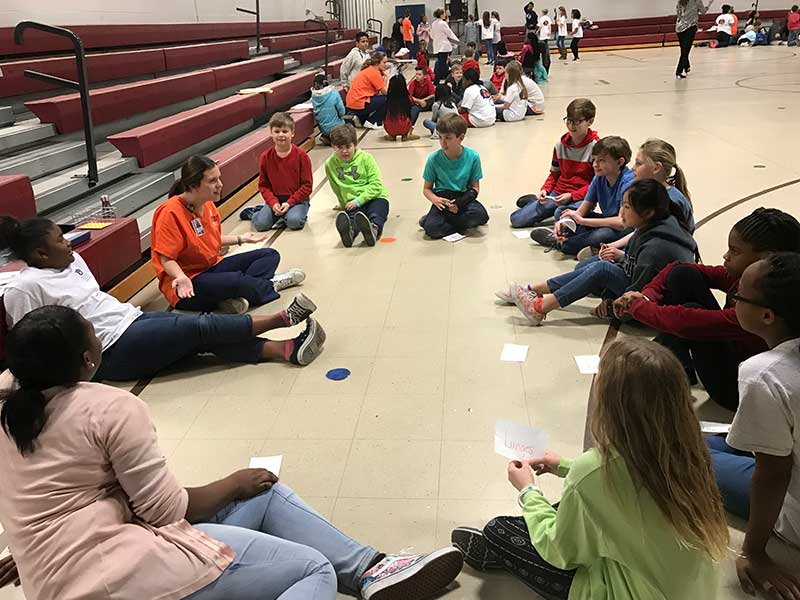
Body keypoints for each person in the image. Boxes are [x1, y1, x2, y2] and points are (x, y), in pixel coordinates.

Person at [0, 306, 464, 600]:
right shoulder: (112, 407)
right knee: (313, 572)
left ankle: (372, 569)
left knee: (264, 497)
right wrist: (232, 482)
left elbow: (52, 498)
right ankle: (357, 572)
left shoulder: (10, 411)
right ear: (87, 360)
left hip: (57, 576)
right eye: (92, 334)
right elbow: (167, 512)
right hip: (122, 575)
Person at [451, 337, 728, 600]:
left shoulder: (592, 473)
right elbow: (631, 483)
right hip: (682, 587)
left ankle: (494, 552)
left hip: (622, 590)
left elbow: (560, 552)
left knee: (499, 529)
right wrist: (564, 466)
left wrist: (528, 491)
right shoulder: (690, 453)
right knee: (572, 507)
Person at [0, 217, 326, 380]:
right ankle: (279, 320)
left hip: (131, 320)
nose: (69, 243)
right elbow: (29, 346)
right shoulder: (24, 288)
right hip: (108, 350)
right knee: (200, 329)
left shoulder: (72, 262)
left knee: (198, 339)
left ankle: (285, 349)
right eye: (60, 240)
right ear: (41, 254)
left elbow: (95, 301)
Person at [613, 208, 800, 410]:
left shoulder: (764, 308)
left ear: (765, 258)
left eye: (735, 251)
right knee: (682, 275)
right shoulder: (754, 281)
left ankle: (645, 369)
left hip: (736, 390)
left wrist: (637, 306)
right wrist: (648, 295)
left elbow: (686, 321)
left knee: (687, 318)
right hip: (737, 355)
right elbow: (678, 267)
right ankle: (672, 365)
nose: (726, 256)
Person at [706, 252, 800, 600]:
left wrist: (754, 551)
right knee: (710, 440)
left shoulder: (765, 373)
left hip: (793, 514)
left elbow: (774, 472)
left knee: (687, 449)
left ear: (767, 315)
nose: (732, 299)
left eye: (738, 295)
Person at [501, 179, 697, 326]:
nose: (621, 213)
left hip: (651, 310)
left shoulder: (656, 249)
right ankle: (535, 289)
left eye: (627, 207)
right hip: (639, 284)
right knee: (592, 265)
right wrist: (618, 257)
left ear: (647, 213)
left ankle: (539, 308)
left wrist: (611, 305)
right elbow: (633, 264)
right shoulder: (650, 226)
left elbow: (640, 298)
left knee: (601, 269)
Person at [151, 155, 303, 314]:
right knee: (235, 280)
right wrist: (180, 277)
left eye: (219, 178)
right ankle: (270, 285)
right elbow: (166, 259)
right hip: (187, 282)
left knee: (269, 255)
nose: (220, 185)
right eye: (212, 181)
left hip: (211, 266)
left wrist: (241, 239)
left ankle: (231, 297)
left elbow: (209, 239)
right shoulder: (169, 212)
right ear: (194, 185)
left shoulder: (207, 204)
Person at [586, 138, 694, 261]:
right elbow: (640, 232)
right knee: (586, 264)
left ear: (656, 168)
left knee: (599, 267)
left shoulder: (671, 201)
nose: (633, 168)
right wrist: (613, 246)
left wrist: (622, 256)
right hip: (641, 252)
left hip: (656, 263)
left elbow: (658, 249)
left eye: (638, 163)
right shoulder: (649, 193)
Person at [530, 136, 635, 256]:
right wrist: (566, 222)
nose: (595, 165)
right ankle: (576, 240)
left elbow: (622, 222)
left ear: (619, 162)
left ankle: (561, 243)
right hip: (608, 222)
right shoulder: (599, 177)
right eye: (594, 160)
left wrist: (584, 221)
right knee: (563, 211)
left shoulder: (628, 183)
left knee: (602, 234)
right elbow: (581, 211)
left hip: (624, 229)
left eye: (602, 161)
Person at [511, 98, 597, 229]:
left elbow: (596, 184)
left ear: (590, 121)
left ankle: (548, 208)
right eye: (569, 120)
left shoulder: (596, 148)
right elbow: (554, 175)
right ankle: (538, 203)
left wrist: (572, 196)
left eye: (577, 121)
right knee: (516, 219)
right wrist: (545, 189)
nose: (572, 125)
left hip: (582, 197)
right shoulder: (559, 146)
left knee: (560, 215)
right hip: (558, 194)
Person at [419, 113, 489, 239]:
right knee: (432, 229)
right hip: (443, 200)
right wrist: (435, 199)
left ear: (461, 137)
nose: (442, 142)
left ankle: (435, 221)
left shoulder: (473, 157)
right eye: (440, 137)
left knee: (482, 216)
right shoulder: (433, 159)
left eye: (448, 138)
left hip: (463, 198)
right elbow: (426, 189)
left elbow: (475, 189)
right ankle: (458, 225)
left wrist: (460, 204)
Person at [240, 112, 313, 232]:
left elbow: (307, 186)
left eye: (285, 131)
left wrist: (290, 203)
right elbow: (264, 186)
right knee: (261, 225)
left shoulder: (302, 156)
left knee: (294, 222)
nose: (281, 135)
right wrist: (273, 203)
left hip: (297, 201)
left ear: (292, 133)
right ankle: (255, 213)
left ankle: (286, 215)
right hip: (276, 200)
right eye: (277, 131)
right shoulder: (265, 157)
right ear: (271, 133)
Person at [326, 124, 390, 248]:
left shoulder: (366, 159)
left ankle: (373, 230)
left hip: (375, 197)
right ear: (333, 147)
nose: (344, 151)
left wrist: (359, 201)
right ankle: (350, 233)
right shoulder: (330, 164)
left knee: (377, 212)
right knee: (352, 217)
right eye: (339, 147)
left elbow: (376, 185)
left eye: (348, 146)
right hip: (352, 202)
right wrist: (344, 204)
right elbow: (336, 187)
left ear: (355, 144)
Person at [345, 51, 388, 130]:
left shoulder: (369, 69)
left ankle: (361, 119)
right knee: (388, 99)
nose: (386, 65)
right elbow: (385, 92)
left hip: (352, 103)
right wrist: (387, 77)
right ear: (377, 62)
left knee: (377, 99)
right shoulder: (374, 72)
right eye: (384, 62)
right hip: (359, 102)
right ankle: (372, 121)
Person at [675, 0, 714, 77]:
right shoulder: (696, 1)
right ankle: (679, 71)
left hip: (679, 27)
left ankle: (686, 66)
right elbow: (703, 11)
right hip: (690, 27)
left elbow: (678, 13)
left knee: (684, 49)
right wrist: (709, 4)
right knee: (685, 51)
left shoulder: (680, 1)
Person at [310, 73, 345, 146]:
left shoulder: (313, 96)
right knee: (348, 124)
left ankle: (327, 136)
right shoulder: (334, 93)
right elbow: (342, 111)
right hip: (336, 126)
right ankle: (334, 138)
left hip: (323, 128)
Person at [384, 74, 421, 142]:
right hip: (404, 126)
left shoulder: (387, 99)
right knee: (416, 108)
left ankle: (391, 135)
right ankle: (406, 134)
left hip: (389, 128)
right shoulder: (407, 98)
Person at [431, 8, 460, 83]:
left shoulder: (433, 23)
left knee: (441, 63)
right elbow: (449, 33)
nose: (445, 15)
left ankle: (439, 80)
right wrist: (457, 41)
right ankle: (442, 79)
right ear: (441, 15)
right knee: (442, 65)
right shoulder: (442, 23)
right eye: (444, 13)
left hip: (437, 46)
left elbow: (432, 35)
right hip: (444, 47)